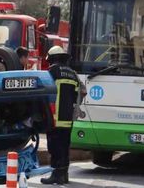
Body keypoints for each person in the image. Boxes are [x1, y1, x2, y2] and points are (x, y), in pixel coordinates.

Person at [40, 46, 85, 185]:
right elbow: (82, 92)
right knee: (64, 146)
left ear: (52, 59)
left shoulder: (52, 71)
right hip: (68, 118)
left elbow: (43, 92)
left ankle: (56, 174)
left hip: (54, 118)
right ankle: (64, 175)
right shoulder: (73, 74)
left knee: (54, 146)